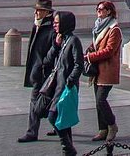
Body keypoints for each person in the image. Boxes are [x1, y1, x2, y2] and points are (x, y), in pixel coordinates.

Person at [44, 10, 84, 156]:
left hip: (66, 86)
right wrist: (55, 45)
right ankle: (68, 149)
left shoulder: (74, 41)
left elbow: (79, 64)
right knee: (63, 120)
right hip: (57, 85)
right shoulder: (60, 39)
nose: (54, 25)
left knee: (53, 116)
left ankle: (68, 148)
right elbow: (47, 60)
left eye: (57, 22)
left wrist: (71, 80)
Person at [17, 0, 55, 143]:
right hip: (36, 71)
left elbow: (54, 50)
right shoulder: (37, 26)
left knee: (38, 102)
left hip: (45, 72)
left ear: (46, 12)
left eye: (39, 10)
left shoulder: (51, 29)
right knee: (47, 101)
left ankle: (32, 132)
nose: (36, 13)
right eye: (36, 10)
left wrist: (44, 63)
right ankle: (59, 127)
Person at [85, 0, 123, 142]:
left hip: (107, 70)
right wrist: (90, 49)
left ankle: (112, 125)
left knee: (101, 100)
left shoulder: (114, 29)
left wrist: (90, 56)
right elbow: (97, 44)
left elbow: (109, 50)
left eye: (101, 9)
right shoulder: (98, 27)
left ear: (109, 11)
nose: (98, 12)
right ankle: (102, 129)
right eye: (97, 9)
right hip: (97, 70)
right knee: (97, 101)